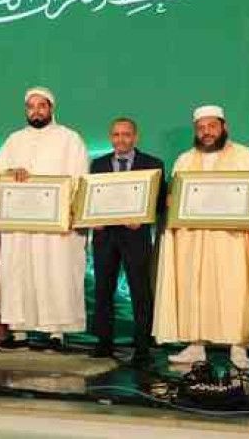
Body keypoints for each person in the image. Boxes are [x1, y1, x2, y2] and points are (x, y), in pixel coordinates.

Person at [153, 105, 249, 369]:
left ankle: (238, 347)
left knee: (234, 289)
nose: (206, 133)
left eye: (212, 126)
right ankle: (196, 345)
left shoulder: (246, 157)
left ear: (224, 127)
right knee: (195, 288)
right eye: (201, 128)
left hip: (233, 240)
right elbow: (177, 198)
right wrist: (172, 201)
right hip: (194, 240)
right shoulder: (185, 160)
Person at [0, 87, 89, 351]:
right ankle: (19, 333)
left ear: (51, 108)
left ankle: (56, 333)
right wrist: (11, 171)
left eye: (41, 106)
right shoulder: (14, 140)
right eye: (31, 107)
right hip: (20, 225)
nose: (36, 111)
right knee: (18, 272)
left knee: (56, 272)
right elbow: (0, 174)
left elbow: (79, 178)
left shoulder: (70, 139)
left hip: (55, 227)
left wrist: (69, 212)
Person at [90, 117, 166, 365]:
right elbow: (91, 197)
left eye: (126, 134)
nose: (120, 139)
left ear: (135, 137)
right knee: (103, 291)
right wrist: (93, 219)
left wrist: (144, 219)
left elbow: (159, 200)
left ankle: (143, 347)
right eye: (115, 134)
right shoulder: (98, 164)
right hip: (105, 237)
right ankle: (103, 344)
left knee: (140, 292)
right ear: (110, 137)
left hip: (136, 236)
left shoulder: (153, 164)